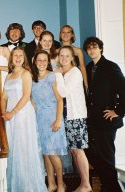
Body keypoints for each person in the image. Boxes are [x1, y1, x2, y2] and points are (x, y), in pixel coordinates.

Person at [1, 47, 47, 192]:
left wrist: (12, 112)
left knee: (23, 148)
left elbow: (26, 96)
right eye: (15, 55)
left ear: (24, 58)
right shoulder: (8, 76)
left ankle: (29, 187)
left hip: (22, 115)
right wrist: (4, 112)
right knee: (14, 149)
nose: (18, 57)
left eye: (21, 55)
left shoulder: (26, 73)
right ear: (11, 58)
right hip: (10, 117)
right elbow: (3, 97)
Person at [83, 37, 125, 192]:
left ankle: (111, 188)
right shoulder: (87, 68)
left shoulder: (110, 67)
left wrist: (118, 111)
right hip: (92, 120)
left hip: (107, 120)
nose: (91, 50)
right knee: (90, 152)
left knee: (106, 157)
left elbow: (123, 90)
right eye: (88, 48)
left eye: (94, 47)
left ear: (101, 48)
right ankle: (108, 184)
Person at [31, 50, 67, 192]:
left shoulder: (52, 76)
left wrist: (58, 120)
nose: (41, 63)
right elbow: (33, 101)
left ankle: (61, 184)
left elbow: (59, 99)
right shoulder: (32, 78)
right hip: (39, 119)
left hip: (53, 117)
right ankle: (51, 183)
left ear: (48, 62)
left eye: (44, 60)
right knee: (45, 152)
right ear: (35, 62)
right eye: (39, 60)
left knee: (52, 153)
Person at [58, 45, 92, 192]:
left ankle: (86, 185)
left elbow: (63, 92)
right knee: (74, 151)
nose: (64, 58)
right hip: (67, 117)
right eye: (61, 55)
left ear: (72, 58)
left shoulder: (74, 72)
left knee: (78, 150)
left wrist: (57, 74)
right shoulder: (64, 73)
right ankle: (83, 183)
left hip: (75, 117)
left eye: (67, 56)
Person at [59, 25, 88, 91]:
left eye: (68, 32)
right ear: (60, 35)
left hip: (74, 80)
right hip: (61, 81)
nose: (65, 34)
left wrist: (86, 85)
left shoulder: (78, 51)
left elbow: (82, 67)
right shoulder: (56, 51)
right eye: (63, 32)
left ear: (72, 35)